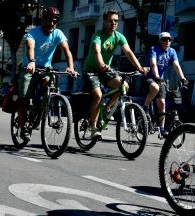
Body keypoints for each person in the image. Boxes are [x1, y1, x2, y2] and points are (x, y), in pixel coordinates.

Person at [83, 9, 148, 139]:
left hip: (106, 70)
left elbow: (128, 52)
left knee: (124, 86)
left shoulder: (119, 36)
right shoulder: (98, 35)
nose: (114, 23)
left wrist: (139, 67)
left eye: (116, 21)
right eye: (111, 20)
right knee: (98, 95)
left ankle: (106, 108)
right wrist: (101, 64)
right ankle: (94, 128)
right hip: (92, 69)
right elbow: (97, 52)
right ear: (104, 21)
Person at [17, 7, 78, 141]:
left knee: (48, 85)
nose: (51, 23)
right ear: (43, 19)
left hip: (45, 68)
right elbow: (30, 47)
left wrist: (71, 67)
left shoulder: (58, 33)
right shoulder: (34, 32)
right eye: (49, 20)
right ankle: (23, 127)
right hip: (29, 67)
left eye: (54, 21)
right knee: (24, 99)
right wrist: (32, 62)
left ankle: (40, 103)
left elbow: (66, 50)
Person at [142, 32, 187, 138]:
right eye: (165, 39)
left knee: (162, 104)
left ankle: (161, 129)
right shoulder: (154, 49)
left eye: (169, 39)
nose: (167, 41)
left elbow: (176, 65)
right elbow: (153, 64)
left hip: (159, 79)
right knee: (155, 87)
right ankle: (146, 106)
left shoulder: (172, 51)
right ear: (159, 40)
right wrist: (157, 77)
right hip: (148, 77)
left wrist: (183, 78)